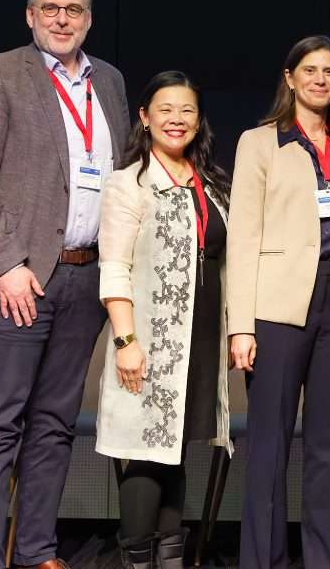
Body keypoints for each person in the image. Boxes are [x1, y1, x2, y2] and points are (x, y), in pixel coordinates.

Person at [0, 0, 130, 569]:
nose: (62, 19)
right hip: (14, 282)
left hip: (83, 277)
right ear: (31, 16)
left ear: (89, 19)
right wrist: (7, 266)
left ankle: (35, 552)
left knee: (54, 426)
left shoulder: (108, 81)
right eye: (50, 9)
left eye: (73, 10)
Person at [227, 35, 330, 569]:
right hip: (277, 306)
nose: (320, 79)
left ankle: (324, 561)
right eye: (309, 70)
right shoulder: (259, 142)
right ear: (289, 78)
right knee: (269, 446)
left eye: (329, 71)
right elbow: (242, 236)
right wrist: (240, 326)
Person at [95, 71, 232, 569]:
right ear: (145, 117)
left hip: (198, 342)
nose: (177, 119)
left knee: (174, 448)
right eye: (166, 109)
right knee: (145, 451)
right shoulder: (128, 183)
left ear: (198, 122)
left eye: (187, 111)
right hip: (148, 340)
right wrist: (126, 340)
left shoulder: (211, 185)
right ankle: (135, 558)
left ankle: (170, 557)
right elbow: (114, 267)